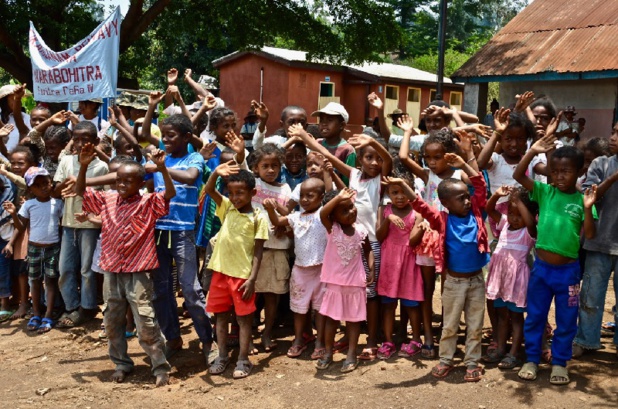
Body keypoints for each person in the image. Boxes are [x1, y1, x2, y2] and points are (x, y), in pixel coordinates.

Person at [291, 124, 392, 361]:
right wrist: (306, 138)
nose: (374, 163)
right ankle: (348, 336)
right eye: (368, 157)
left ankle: (372, 340)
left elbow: (387, 157)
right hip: (345, 244)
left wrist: (374, 142)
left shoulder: (380, 180)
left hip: (370, 244)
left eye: (377, 158)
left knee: (370, 294)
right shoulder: (355, 175)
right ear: (360, 160)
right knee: (345, 294)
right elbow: (327, 155)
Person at [76, 143, 173, 387]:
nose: (121, 185)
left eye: (127, 181)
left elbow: (169, 194)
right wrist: (84, 166)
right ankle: (121, 363)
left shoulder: (148, 203)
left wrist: (162, 169)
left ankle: (160, 366)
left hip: (138, 271)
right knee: (112, 319)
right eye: (119, 180)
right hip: (111, 269)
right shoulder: (107, 199)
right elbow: (82, 192)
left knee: (145, 321)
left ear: (140, 184)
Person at [514, 131, 597, 385]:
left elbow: (591, 235)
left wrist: (586, 208)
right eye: (555, 171)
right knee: (536, 315)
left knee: (566, 320)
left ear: (579, 172)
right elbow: (518, 176)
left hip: (568, 272)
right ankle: (531, 359)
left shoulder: (583, 200)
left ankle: (560, 362)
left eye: (566, 171)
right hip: (541, 269)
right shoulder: (544, 193)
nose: (559, 176)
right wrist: (532, 150)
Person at [408, 150, 490, 382]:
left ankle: (472, 362)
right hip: (453, 283)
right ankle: (446, 360)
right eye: (461, 198)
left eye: (467, 196)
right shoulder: (441, 219)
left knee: (475, 325)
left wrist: (464, 164)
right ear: (445, 203)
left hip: (476, 281)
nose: (467, 200)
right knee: (450, 325)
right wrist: (402, 187)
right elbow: (421, 206)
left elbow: (480, 186)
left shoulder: (476, 213)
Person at [398, 119, 473, 358]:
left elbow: (477, 179)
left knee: (451, 288)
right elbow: (403, 159)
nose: (432, 162)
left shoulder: (460, 173)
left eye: (437, 157)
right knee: (427, 289)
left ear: (448, 155)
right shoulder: (427, 174)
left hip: (453, 236)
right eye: (428, 157)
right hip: (429, 237)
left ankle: (448, 333)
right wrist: (408, 132)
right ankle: (429, 338)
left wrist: (467, 152)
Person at [145, 114, 213, 363]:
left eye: (171, 135)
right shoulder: (158, 160)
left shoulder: (193, 157)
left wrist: (161, 168)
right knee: (161, 290)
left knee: (190, 289)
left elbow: (192, 177)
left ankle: (207, 340)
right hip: (159, 231)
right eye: (163, 135)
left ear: (186, 137)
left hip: (183, 231)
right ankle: (172, 338)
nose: (165, 140)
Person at [204, 162, 269, 379]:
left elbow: (259, 252)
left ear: (253, 193)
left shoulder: (258, 217)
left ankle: (243, 359)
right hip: (220, 272)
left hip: (242, 276)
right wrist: (215, 173)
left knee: (243, 320)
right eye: (231, 193)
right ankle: (222, 355)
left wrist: (252, 279)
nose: (235, 197)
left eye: (240, 193)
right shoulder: (228, 208)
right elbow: (209, 190)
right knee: (220, 317)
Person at [263, 178, 328, 359]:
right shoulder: (295, 217)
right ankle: (299, 339)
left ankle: (320, 341)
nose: (305, 199)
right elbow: (277, 220)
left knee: (320, 309)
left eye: (310, 195)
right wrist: (270, 208)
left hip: (322, 270)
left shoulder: (324, 214)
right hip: (300, 270)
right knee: (299, 309)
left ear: (321, 197)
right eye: (302, 196)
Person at [53, 121, 109, 327]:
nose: (80, 143)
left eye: (85, 139)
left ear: (96, 141)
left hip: (90, 225)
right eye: (76, 139)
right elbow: (55, 190)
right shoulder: (66, 161)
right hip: (68, 223)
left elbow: (107, 196)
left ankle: (86, 307)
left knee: (87, 269)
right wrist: (64, 186)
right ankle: (71, 306)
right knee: (65, 268)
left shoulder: (102, 167)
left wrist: (83, 191)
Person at [317, 188, 375, 373]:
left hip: (355, 283)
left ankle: (351, 353)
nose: (351, 212)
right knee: (331, 320)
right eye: (344, 210)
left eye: (351, 207)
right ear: (334, 216)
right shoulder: (332, 228)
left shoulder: (360, 230)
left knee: (353, 320)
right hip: (334, 283)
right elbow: (323, 213)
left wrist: (371, 269)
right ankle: (328, 352)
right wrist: (338, 198)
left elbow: (368, 250)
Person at [573, 122, 618, 358]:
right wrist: (612, 179)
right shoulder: (602, 164)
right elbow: (587, 197)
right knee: (590, 295)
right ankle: (586, 339)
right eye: (613, 131)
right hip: (598, 242)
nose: (612, 137)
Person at [483, 186, 538, 369]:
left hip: (516, 283)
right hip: (500, 280)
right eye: (512, 213)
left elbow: (530, 222)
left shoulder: (529, 232)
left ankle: (514, 353)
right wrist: (497, 196)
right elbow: (489, 210)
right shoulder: (505, 223)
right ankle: (500, 348)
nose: (514, 218)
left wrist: (519, 201)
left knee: (516, 317)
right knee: (500, 316)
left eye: (519, 214)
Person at [5, 167, 63, 334]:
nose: (43, 187)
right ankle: (36, 313)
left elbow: (61, 226)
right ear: (31, 189)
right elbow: (21, 227)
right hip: (34, 248)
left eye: (45, 183)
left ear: (51, 183)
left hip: (53, 248)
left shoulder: (58, 204)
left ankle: (49, 314)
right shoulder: (29, 205)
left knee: (51, 281)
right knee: (35, 282)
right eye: (37, 185)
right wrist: (14, 214)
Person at [375, 177, 424, 360]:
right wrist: (388, 219)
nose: (400, 197)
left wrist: (421, 225)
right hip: (389, 263)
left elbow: (412, 240)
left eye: (404, 191)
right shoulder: (384, 210)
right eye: (395, 193)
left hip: (408, 263)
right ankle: (388, 341)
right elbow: (379, 236)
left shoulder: (417, 212)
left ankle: (416, 340)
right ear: (388, 194)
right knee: (388, 304)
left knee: (411, 303)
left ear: (411, 190)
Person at [249, 143, 292, 352]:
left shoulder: (284, 188)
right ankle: (247, 336)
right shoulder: (253, 183)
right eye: (265, 165)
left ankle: (267, 333)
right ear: (256, 168)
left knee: (273, 294)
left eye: (275, 165)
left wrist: (277, 208)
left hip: (277, 247)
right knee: (249, 293)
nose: (271, 170)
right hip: (251, 249)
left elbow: (290, 213)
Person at [0, 84, 30, 155]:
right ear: (4, 100)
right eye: (13, 98)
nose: (16, 101)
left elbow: (25, 132)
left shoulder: (26, 118)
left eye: (19, 99)